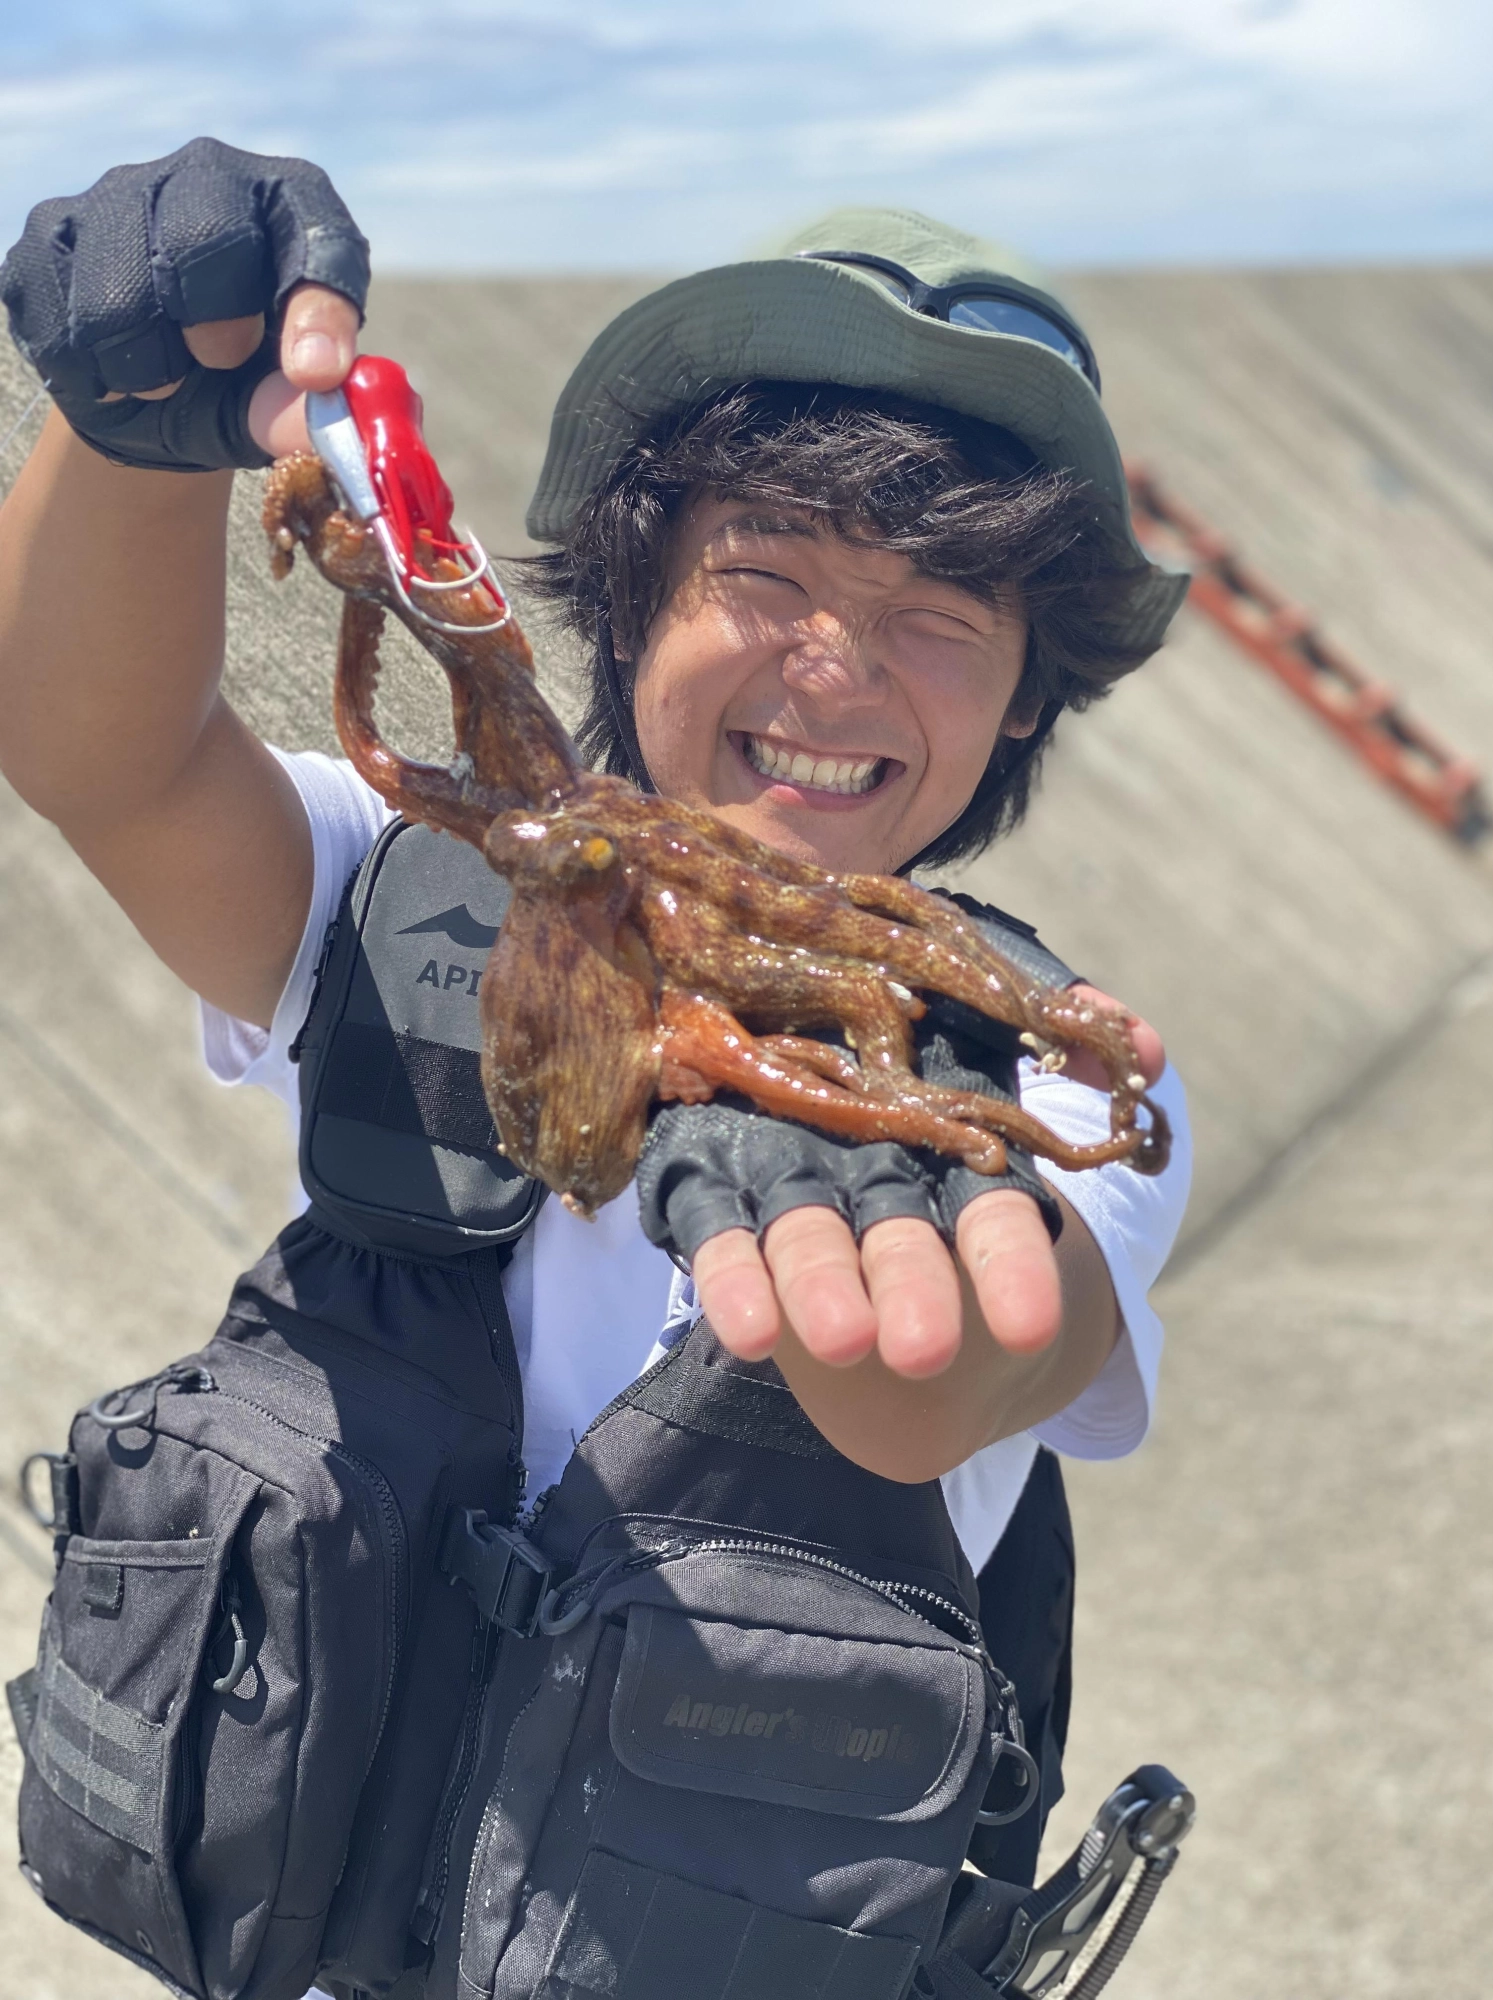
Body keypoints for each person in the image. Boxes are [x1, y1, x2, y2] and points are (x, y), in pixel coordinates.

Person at [0, 142, 1191, 1900]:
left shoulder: (1043, 1073)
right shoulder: (402, 888)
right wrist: (127, 438)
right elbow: (109, 759)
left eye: (938, 615)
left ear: (1024, 703)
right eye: (765, 573)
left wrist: (880, 1203)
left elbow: (944, 1390)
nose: (836, 668)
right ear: (634, 600)